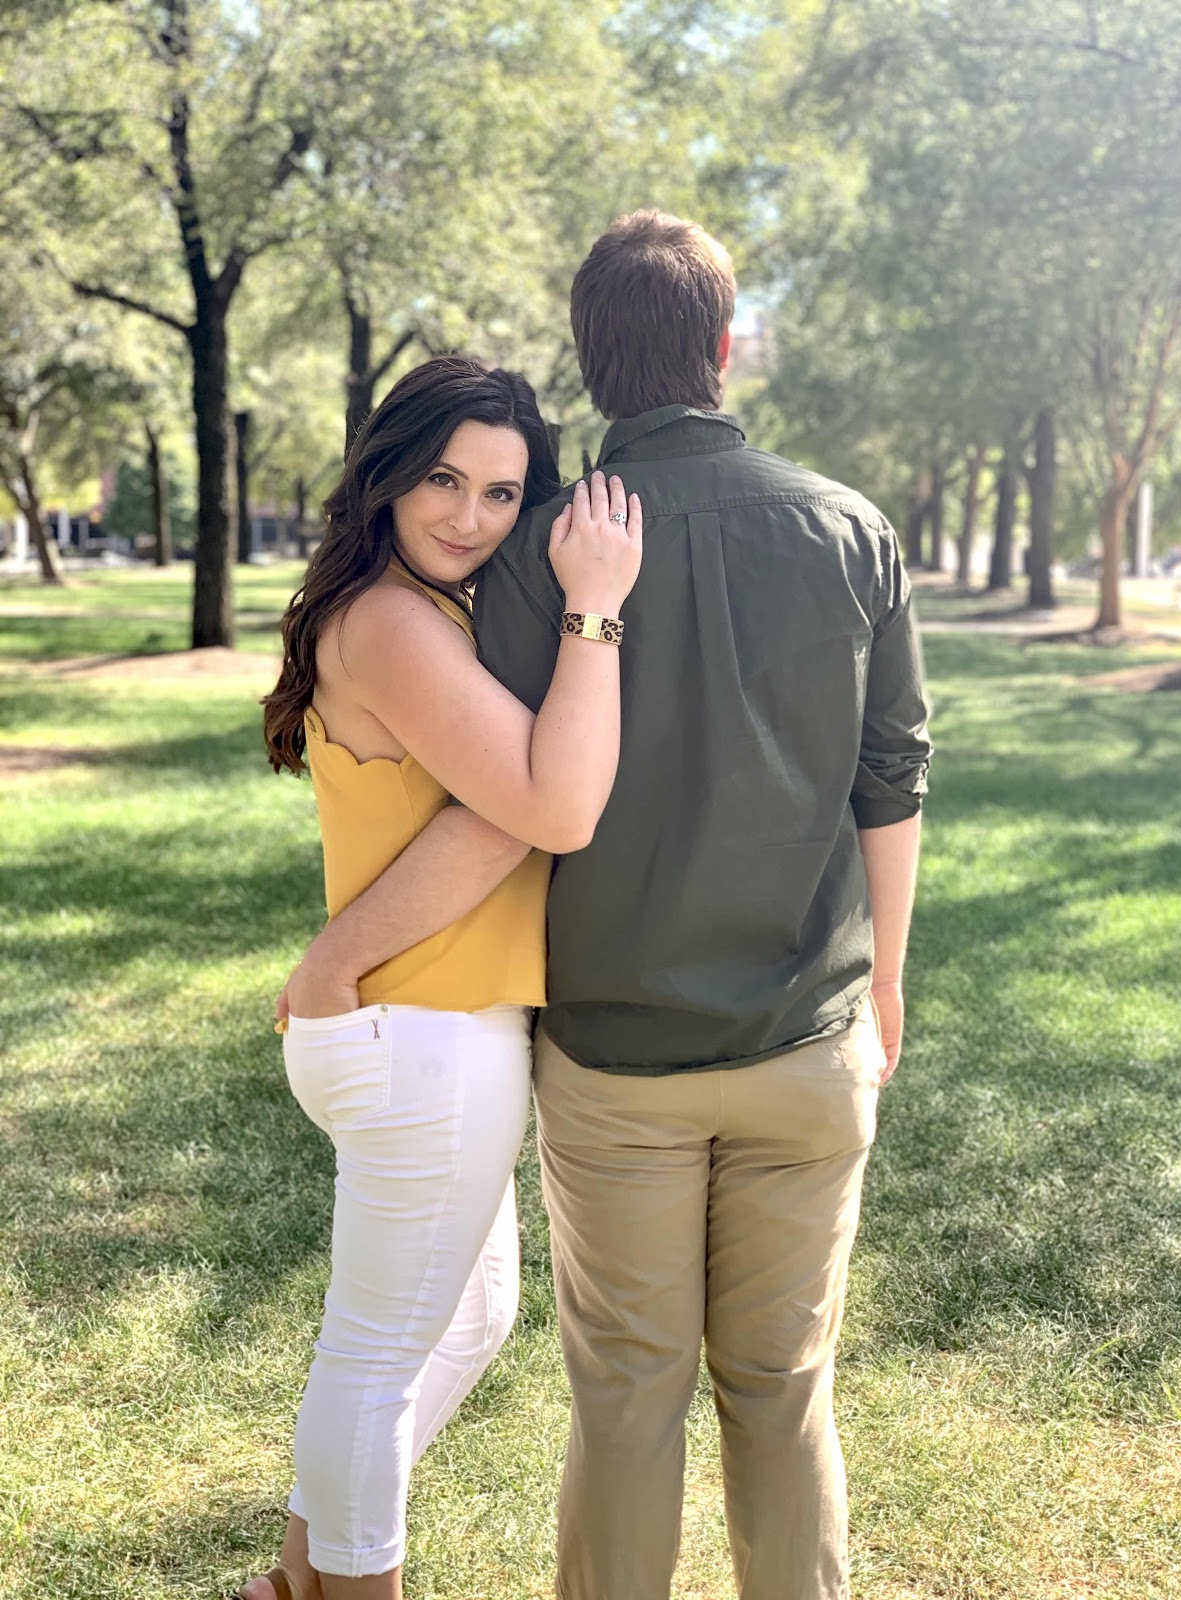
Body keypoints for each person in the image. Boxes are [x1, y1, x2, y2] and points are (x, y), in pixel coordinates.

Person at [276, 210, 932, 1600]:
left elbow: (508, 801)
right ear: (724, 346)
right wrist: (884, 984)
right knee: (785, 1385)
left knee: (628, 1393)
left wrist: (337, 954)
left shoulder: (539, 551)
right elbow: (892, 777)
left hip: (615, 1060)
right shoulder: (854, 529)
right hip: (807, 1041)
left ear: (587, 361)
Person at [237, 354, 642, 1600]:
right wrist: (596, 606)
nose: (470, 516)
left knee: (467, 1323)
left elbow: (500, 813)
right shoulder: (395, 622)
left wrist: (335, 956)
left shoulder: (419, 610)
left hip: (419, 1022)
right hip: (418, 1030)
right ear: (391, 474)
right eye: (444, 480)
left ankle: (297, 1579)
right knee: (373, 1359)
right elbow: (551, 805)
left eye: (503, 492)